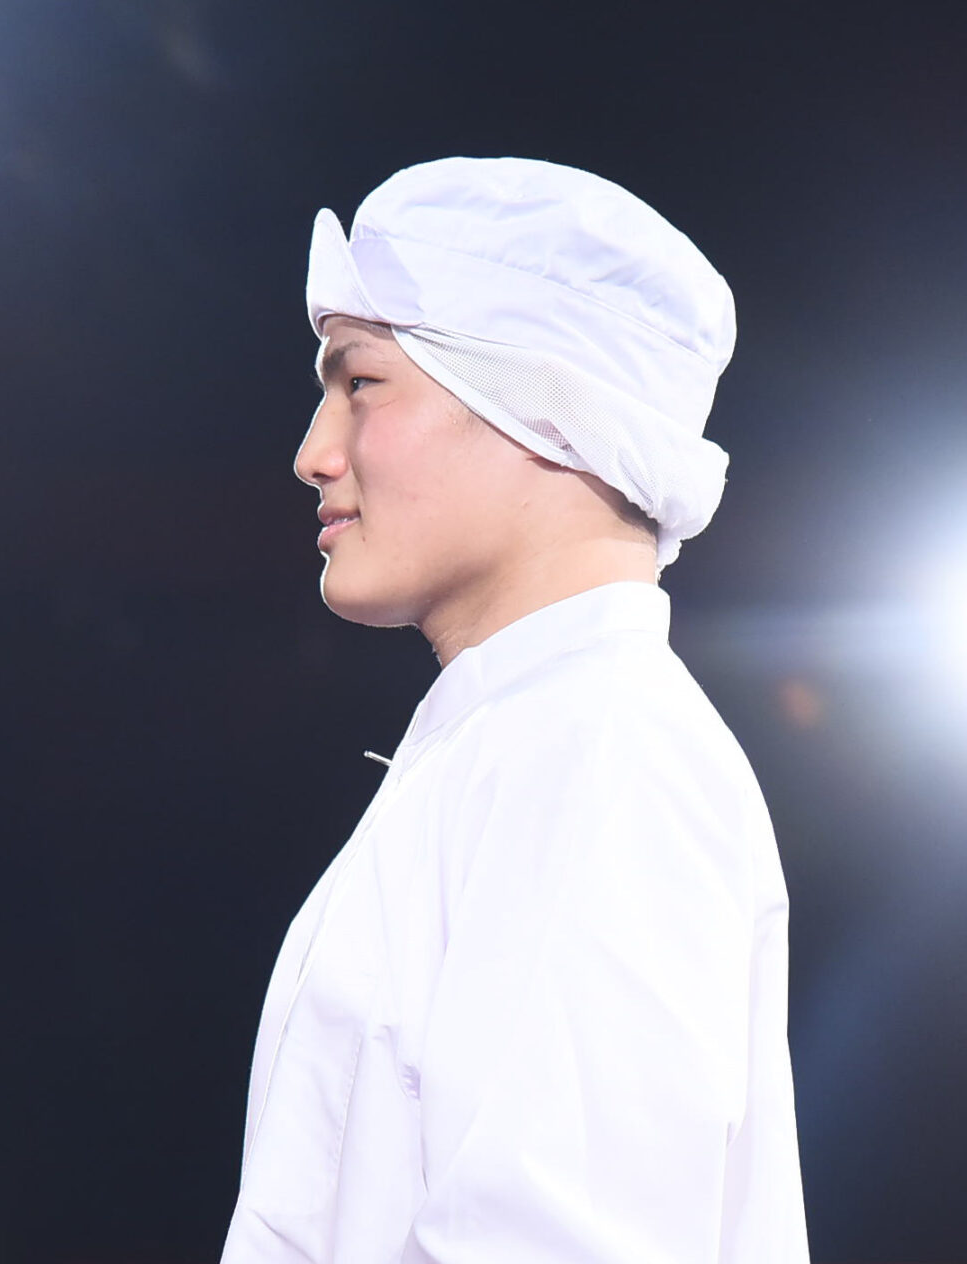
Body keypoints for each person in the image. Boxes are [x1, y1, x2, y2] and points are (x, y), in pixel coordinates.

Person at [220, 157, 809, 1262]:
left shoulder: (601, 751)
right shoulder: (530, 740)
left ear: (544, 410)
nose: (313, 454)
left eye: (361, 382)